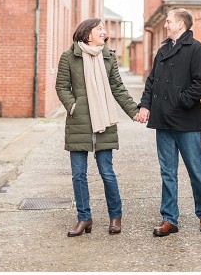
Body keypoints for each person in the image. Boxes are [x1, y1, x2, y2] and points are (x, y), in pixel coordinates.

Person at [55, 18, 141, 237]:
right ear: (87, 34)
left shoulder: (108, 57)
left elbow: (118, 89)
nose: (104, 32)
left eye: (104, 28)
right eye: (100, 29)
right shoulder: (69, 57)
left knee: (107, 172)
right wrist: (73, 106)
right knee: (78, 174)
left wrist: (134, 111)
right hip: (79, 121)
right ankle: (84, 218)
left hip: (104, 120)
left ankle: (115, 216)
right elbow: (62, 87)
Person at [136, 8, 201, 236]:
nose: (166, 25)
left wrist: (179, 101)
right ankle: (169, 218)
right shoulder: (162, 50)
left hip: (186, 122)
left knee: (196, 170)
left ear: (181, 25)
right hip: (163, 122)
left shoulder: (197, 49)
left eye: (169, 22)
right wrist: (145, 104)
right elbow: (152, 82)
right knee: (167, 172)